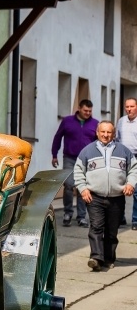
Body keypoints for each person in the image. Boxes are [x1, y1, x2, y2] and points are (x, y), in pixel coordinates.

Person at [74, 121, 137, 271]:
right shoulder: (87, 151)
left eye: (109, 132)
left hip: (117, 197)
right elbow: (78, 171)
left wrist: (130, 184)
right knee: (96, 227)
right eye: (102, 132)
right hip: (94, 196)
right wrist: (83, 189)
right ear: (97, 132)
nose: (105, 135)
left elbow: (134, 169)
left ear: (113, 134)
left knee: (111, 231)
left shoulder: (124, 151)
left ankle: (108, 259)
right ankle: (96, 257)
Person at [51, 99, 98, 227]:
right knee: (69, 185)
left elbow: (98, 143)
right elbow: (57, 137)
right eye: (85, 110)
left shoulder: (95, 124)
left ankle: (82, 217)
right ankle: (68, 213)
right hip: (70, 158)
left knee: (83, 188)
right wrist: (54, 155)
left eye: (90, 111)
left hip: (86, 160)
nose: (88, 113)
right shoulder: (67, 121)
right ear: (79, 109)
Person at [115, 97, 137, 229]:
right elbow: (117, 139)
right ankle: (120, 217)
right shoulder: (121, 121)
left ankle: (135, 220)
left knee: (136, 190)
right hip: (122, 158)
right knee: (120, 188)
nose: (129, 109)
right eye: (127, 106)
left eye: (132, 106)